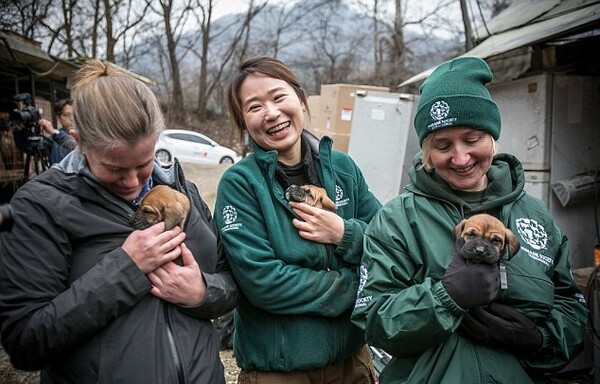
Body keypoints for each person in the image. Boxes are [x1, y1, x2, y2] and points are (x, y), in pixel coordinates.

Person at [351, 56, 588, 383]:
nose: (460, 158)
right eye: (443, 145)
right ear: (427, 153)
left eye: (472, 139)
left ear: (492, 138)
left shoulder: (534, 215)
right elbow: (375, 322)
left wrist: (540, 339)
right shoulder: (398, 220)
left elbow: (571, 305)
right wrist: (446, 297)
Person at [0, 60, 238, 384]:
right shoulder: (40, 206)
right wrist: (126, 267)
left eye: (143, 164)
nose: (132, 182)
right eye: (114, 168)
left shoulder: (182, 191)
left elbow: (229, 281)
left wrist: (201, 293)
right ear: (78, 140)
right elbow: (26, 342)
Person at [215, 56, 382, 384]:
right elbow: (264, 281)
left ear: (301, 100)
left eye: (279, 97)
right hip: (279, 372)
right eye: (254, 107)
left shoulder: (343, 168)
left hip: (353, 363)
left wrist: (344, 234)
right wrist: (352, 288)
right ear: (244, 123)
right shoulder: (240, 184)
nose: (272, 113)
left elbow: (388, 242)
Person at [39, 98, 76, 164]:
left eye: (74, 114)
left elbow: (73, 146)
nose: (72, 118)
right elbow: (33, 150)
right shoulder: (53, 139)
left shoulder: (85, 135)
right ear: (58, 118)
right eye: (67, 115)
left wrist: (54, 133)